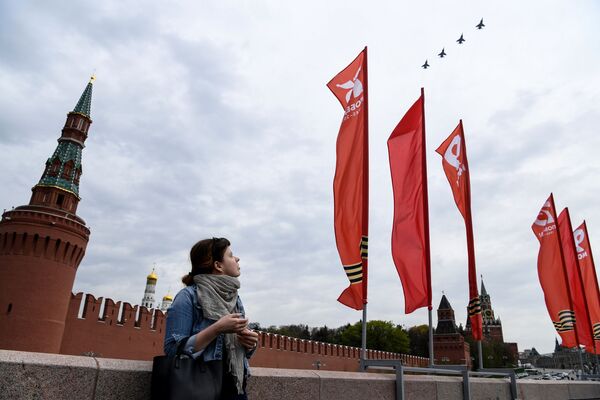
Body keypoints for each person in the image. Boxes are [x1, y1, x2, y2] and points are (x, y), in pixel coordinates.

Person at [164, 237, 258, 400]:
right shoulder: (188, 297)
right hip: (198, 390)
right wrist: (217, 329)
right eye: (231, 255)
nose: (237, 259)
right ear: (218, 265)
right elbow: (172, 350)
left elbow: (240, 355)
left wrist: (249, 343)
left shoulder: (234, 298)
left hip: (236, 389)